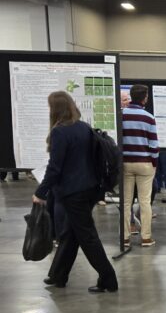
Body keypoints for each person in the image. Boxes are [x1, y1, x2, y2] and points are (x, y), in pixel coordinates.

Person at [31, 91, 118, 293]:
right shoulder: (83, 127)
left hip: (73, 192)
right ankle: (59, 275)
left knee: (87, 237)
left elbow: (55, 168)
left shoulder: (60, 132)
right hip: (90, 189)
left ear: (55, 109)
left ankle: (109, 278)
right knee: (71, 233)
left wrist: (40, 192)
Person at [121, 83, 158, 248]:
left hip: (125, 163)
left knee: (126, 202)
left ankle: (125, 238)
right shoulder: (149, 118)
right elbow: (154, 145)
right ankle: (146, 238)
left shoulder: (121, 115)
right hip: (144, 164)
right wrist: (154, 163)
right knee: (144, 202)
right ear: (145, 98)